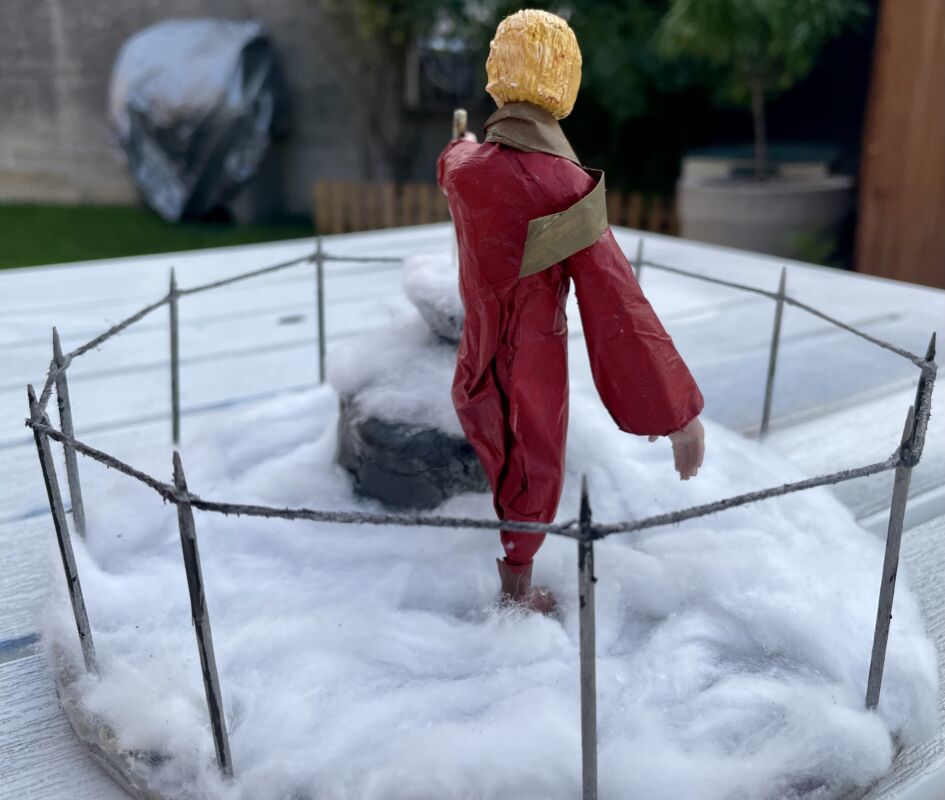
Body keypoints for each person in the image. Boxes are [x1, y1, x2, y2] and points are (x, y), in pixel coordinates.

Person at [437, 9, 705, 614]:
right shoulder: (565, 185)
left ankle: (513, 581)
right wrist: (676, 412)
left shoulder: (463, 170)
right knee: (532, 464)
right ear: (563, 80)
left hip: (475, 349)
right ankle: (516, 591)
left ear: (498, 73)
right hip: (531, 354)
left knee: (502, 451)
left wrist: (462, 142)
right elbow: (618, 303)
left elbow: (453, 155)